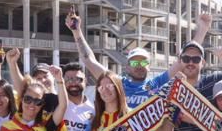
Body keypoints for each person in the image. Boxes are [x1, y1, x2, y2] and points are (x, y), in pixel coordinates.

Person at [66, 8, 211, 109]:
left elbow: (186, 58)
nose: (139, 65)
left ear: (149, 65)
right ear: (127, 66)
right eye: (135, 62)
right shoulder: (118, 83)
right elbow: (89, 60)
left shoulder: (158, 83)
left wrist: (202, 29)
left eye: (143, 62)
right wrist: (76, 31)